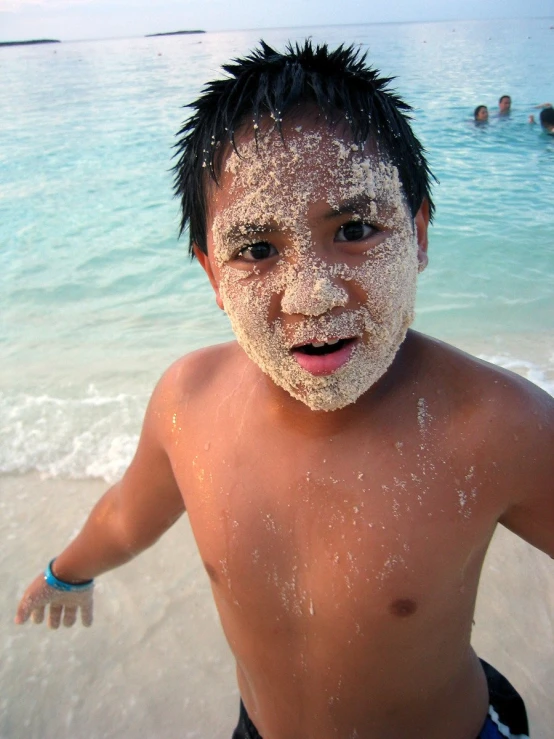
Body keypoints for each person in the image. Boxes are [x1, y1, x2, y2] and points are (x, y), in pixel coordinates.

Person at [15, 41, 553, 739]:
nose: (311, 295)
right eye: (257, 249)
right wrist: (66, 571)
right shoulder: (189, 403)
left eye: (355, 229)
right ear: (212, 272)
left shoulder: (493, 425)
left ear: (417, 235)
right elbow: (125, 515)